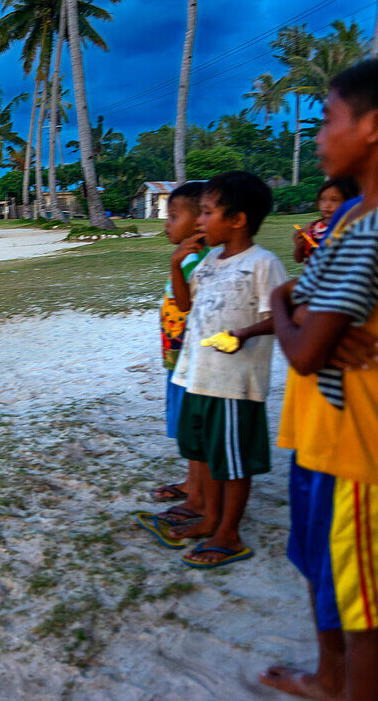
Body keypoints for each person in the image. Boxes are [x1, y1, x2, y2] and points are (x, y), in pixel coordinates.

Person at [261, 59, 378, 700]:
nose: (318, 135)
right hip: (319, 437)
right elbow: (308, 313)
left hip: (355, 453)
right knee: (321, 572)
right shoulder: (350, 223)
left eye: (328, 119)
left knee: (362, 611)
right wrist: (297, 309)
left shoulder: (366, 232)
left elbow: (304, 347)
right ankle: (330, 679)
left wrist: (282, 305)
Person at [165, 171, 287, 568]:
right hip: (198, 377)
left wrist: (243, 332)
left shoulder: (263, 264)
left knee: (233, 463)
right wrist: (176, 264)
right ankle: (211, 519)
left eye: (207, 212)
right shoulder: (210, 260)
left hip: (235, 384)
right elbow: (186, 307)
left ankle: (229, 534)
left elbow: (279, 316)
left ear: (238, 220)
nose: (199, 222)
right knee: (209, 454)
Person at [137, 182, 213, 548]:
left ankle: (199, 496)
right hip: (177, 359)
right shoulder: (187, 259)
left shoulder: (198, 262)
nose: (167, 223)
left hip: (192, 362)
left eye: (173, 216)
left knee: (194, 430)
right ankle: (191, 483)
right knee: (186, 429)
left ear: (200, 222)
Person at [293, 177, 361, 263]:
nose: (327, 205)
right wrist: (299, 246)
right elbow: (299, 259)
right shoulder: (311, 228)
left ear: (349, 202)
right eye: (322, 199)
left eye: (334, 200)